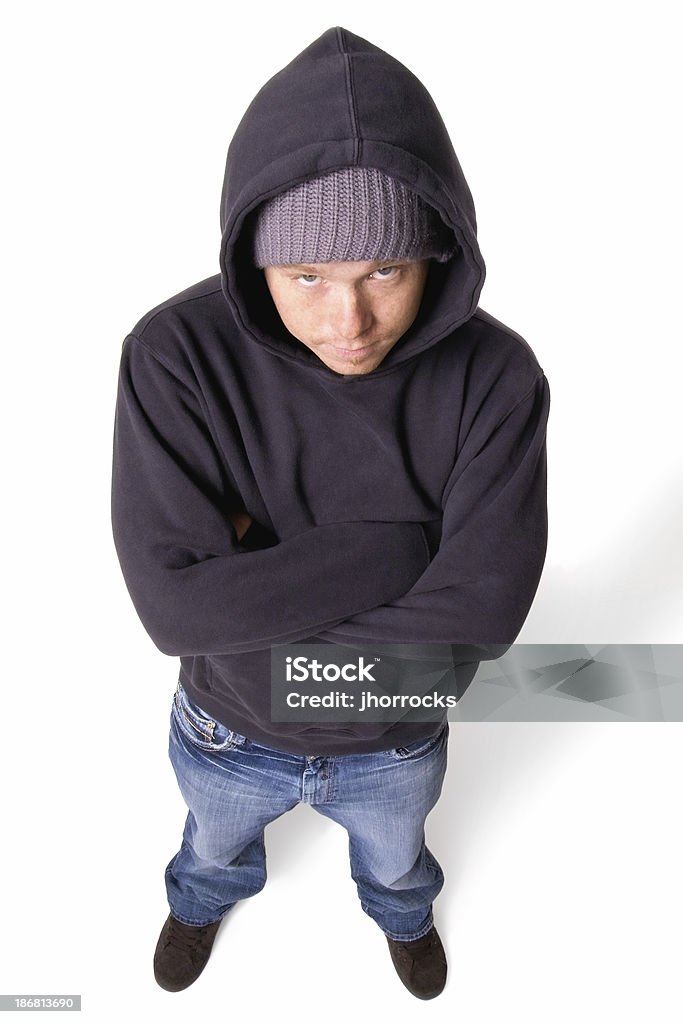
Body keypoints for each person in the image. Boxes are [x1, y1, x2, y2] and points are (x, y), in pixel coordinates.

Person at [110, 26, 550, 1000]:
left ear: (434, 249)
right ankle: (199, 898)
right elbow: (175, 610)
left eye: (382, 272)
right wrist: (399, 550)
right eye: (306, 276)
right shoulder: (174, 358)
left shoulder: (495, 379)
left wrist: (255, 578)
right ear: (255, 258)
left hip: (393, 746)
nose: (345, 323)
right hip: (226, 731)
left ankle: (400, 917)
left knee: (398, 862)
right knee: (210, 845)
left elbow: (478, 612)